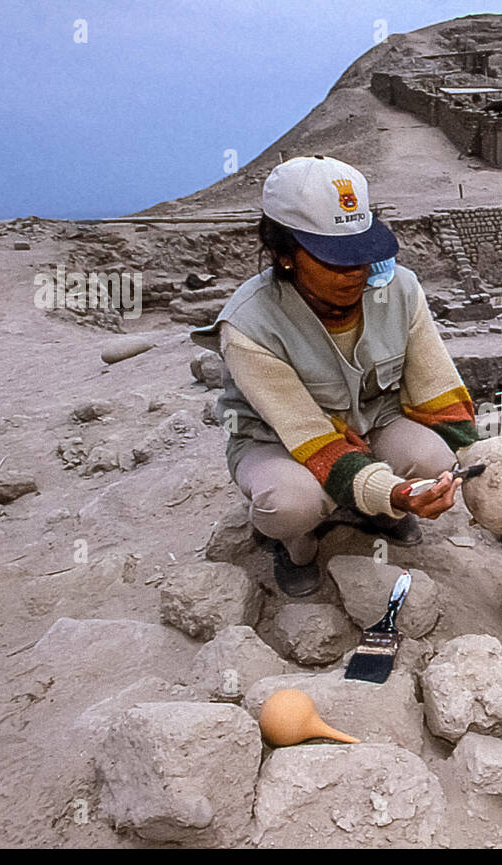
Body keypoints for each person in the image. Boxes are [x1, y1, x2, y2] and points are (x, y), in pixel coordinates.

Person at [190, 155, 480, 597]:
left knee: (436, 460)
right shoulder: (249, 326)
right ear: (286, 255)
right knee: (291, 503)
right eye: (334, 260)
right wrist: (397, 492)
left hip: (373, 423)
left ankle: (378, 512)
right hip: (282, 442)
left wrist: (476, 456)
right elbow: (311, 436)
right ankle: (296, 546)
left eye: (361, 255)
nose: (356, 273)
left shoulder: (399, 289)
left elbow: (436, 386)